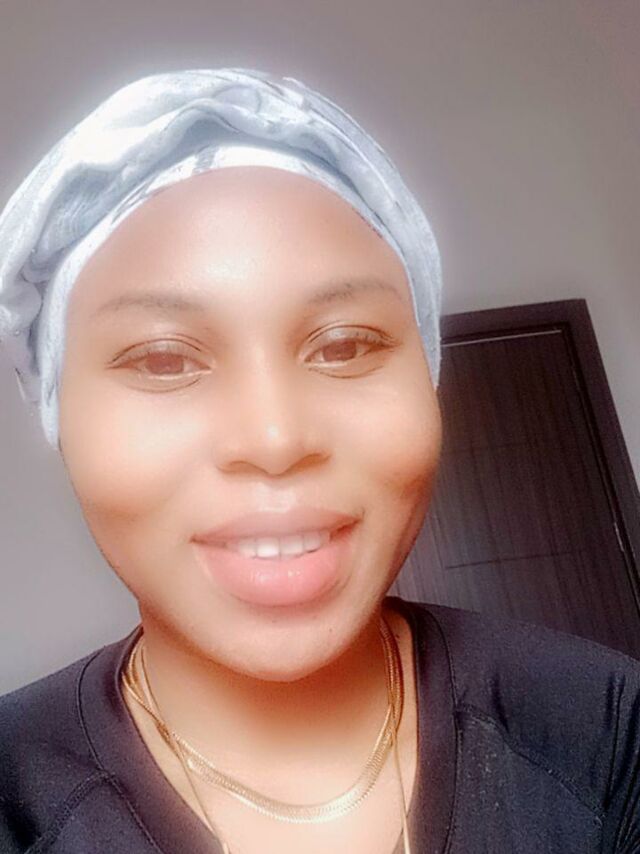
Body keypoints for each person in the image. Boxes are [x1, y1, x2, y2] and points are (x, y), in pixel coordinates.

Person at [0, 68, 638, 854]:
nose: (275, 439)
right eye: (165, 359)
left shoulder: (606, 732)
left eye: (344, 345)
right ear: (59, 412)